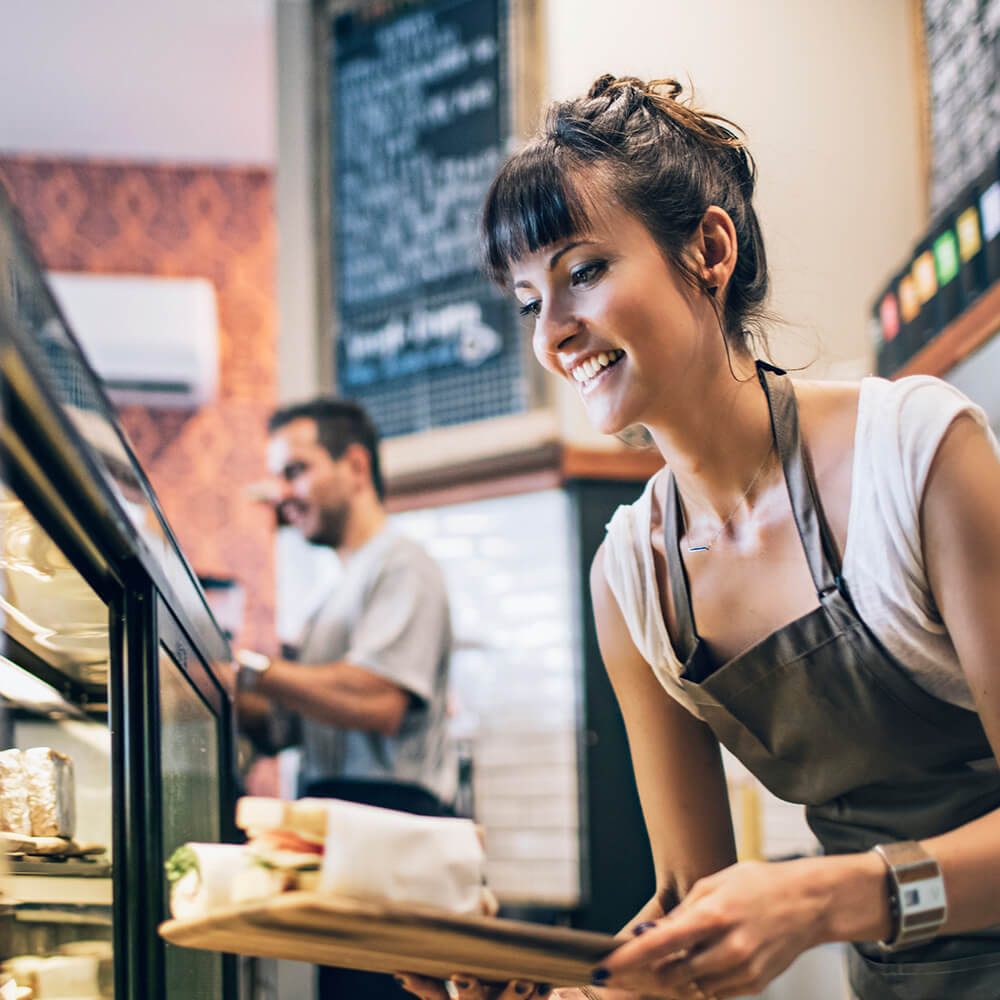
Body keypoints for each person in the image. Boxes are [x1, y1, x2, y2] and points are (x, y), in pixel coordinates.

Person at [401, 74, 1000, 1000]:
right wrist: (553, 980)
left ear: (709, 249)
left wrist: (828, 900)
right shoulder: (632, 577)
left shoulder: (916, 454)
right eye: (528, 302)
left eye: (583, 272)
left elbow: (801, 906)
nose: (555, 334)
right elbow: (692, 902)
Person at [235, 396, 457, 1000]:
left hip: (391, 826)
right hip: (339, 824)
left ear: (355, 467)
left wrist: (254, 670)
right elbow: (282, 731)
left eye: (295, 470)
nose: (284, 493)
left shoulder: (402, 566)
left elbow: (378, 701)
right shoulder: (334, 593)